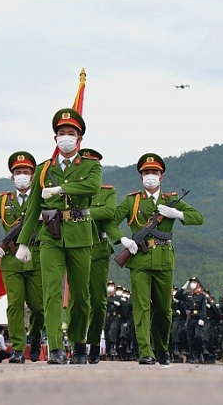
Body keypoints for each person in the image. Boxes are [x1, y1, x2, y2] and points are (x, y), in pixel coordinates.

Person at [14, 108, 101, 364]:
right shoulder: (42, 170)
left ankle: (78, 343)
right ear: (55, 139)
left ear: (79, 139)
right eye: (61, 133)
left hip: (80, 234)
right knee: (51, 292)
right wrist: (23, 242)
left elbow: (92, 186)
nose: (66, 137)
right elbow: (32, 209)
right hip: (50, 236)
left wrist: (61, 188)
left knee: (80, 295)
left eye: (71, 133)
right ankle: (55, 349)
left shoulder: (91, 166)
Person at [112, 153, 204, 365]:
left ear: (161, 176)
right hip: (140, 260)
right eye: (146, 172)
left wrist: (177, 214)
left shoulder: (170, 199)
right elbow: (111, 221)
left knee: (163, 309)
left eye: (154, 172)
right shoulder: (132, 201)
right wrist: (123, 239)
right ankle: (146, 351)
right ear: (140, 176)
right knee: (141, 306)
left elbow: (198, 218)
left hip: (163, 259)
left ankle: (162, 348)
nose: (150, 176)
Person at [0, 151, 45, 364]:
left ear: (33, 175)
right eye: (18, 172)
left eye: (26, 172)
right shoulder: (3, 201)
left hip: (35, 257)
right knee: (15, 304)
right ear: (12, 176)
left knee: (39, 306)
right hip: (10, 260)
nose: (22, 175)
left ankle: (35, 336)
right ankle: (18, 349)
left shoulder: (41, 198)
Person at [83, 149, 126, 364]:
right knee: (77, 300)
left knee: (99, 302)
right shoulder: (70, 191)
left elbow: (109, 213)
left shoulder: (107, 192)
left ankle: (92, 344)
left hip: (98, 249)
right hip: (74, 249)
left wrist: (83, 213)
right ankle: (78, 344)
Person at [176, 278, 207, 364]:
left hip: (198, 319)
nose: (192, 284)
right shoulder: (188, 295)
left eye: (194, 282)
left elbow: (203, 309)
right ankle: (192, 356)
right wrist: (183, 288)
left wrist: (202, 318)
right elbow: (177, 296)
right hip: (190, 319)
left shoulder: (202, 296)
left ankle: (199, 352)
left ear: (198, 285)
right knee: (190, 339)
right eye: (191, 282)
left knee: (198, 337)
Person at [104, 282, 123, 361]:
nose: (110, 287)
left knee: (113, 330)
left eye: (112, 286)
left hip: (115, 318)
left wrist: (124, 320)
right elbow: (105, 302)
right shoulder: (106, 297)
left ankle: (113, 347)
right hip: (107, 318)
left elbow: (122, 308)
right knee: (107, 334)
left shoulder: (118, 298)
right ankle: (108, 352)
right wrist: (112, 302)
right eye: (109, 286)